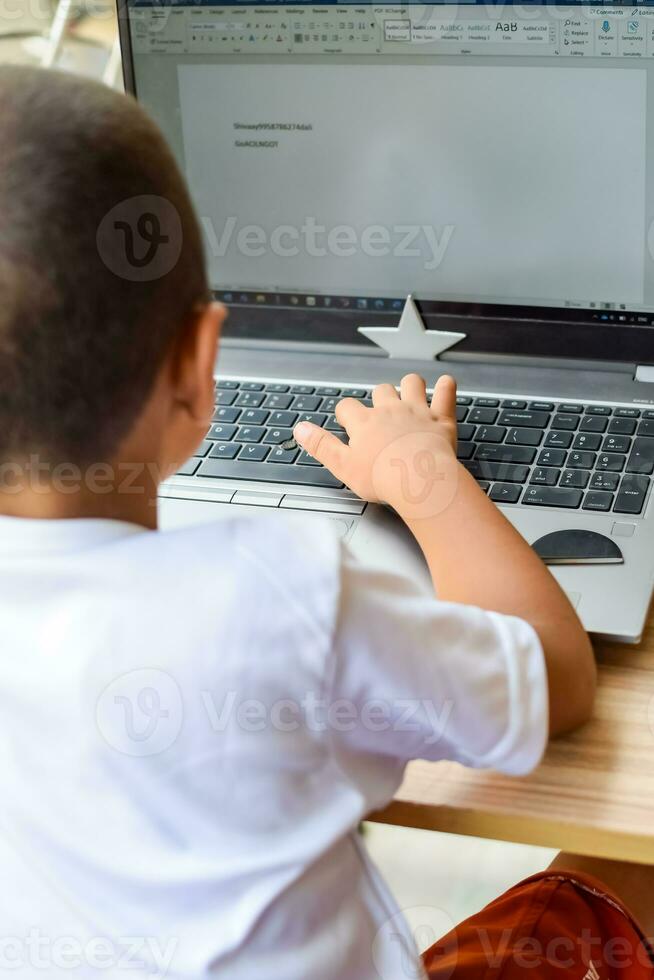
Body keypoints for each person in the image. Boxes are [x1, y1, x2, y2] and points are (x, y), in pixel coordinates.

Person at [0, 64, 628, 980]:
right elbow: (558, 679)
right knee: (615, 877)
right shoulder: (276, 593)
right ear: (200, 357)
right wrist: (424, 478)